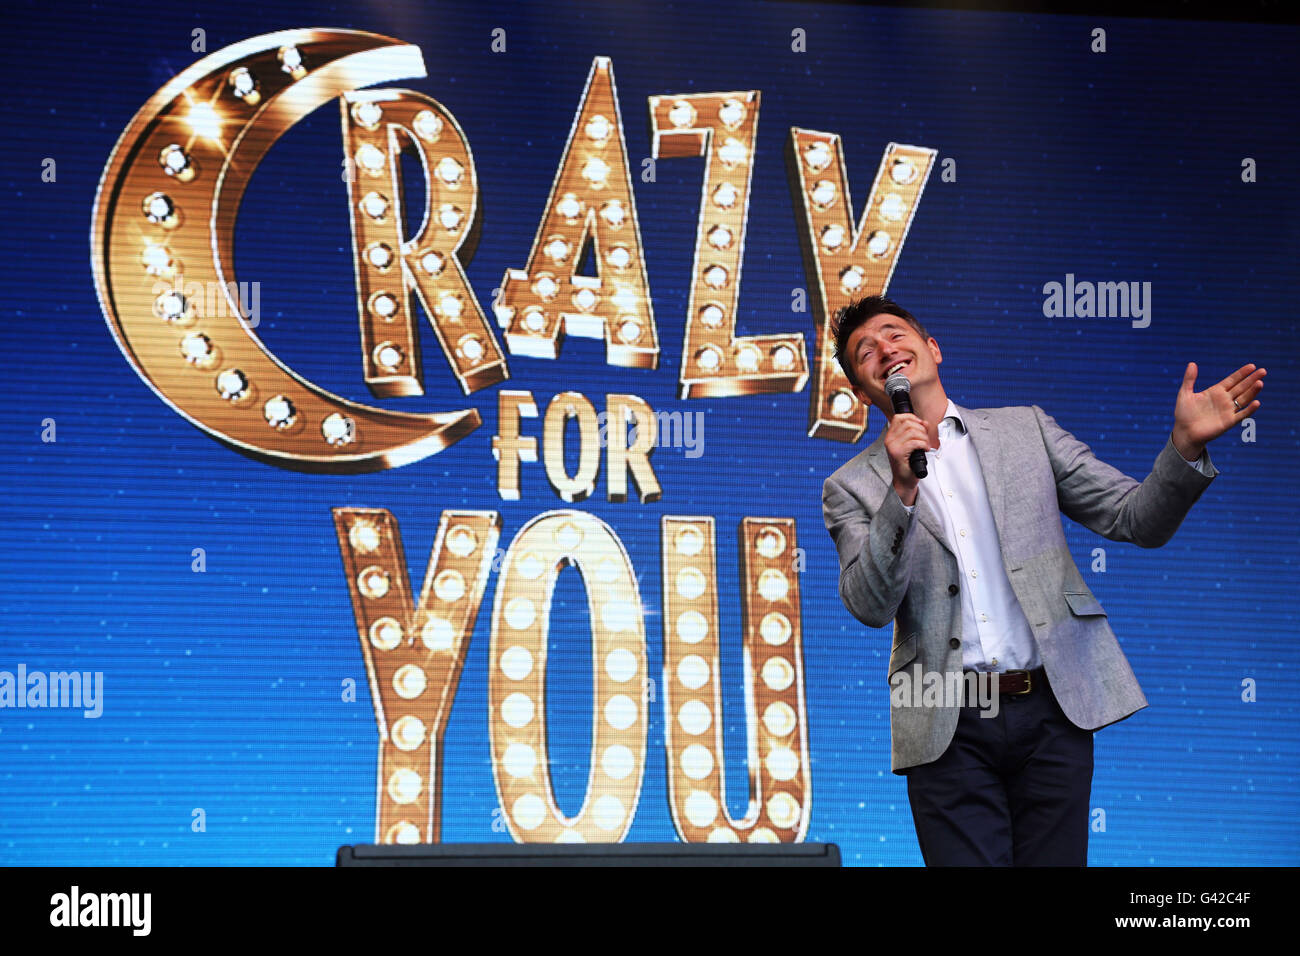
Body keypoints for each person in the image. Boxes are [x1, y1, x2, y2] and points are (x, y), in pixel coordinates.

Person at [821, 295, 1265, 866]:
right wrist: (901, 490)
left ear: (932, 348)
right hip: (943, 714)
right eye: (866, 352)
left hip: (1052, 705)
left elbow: (1134, 519)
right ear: (862, 391)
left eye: (895, 335)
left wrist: (1184, 447)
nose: (885, 350)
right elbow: (870, 603)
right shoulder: (850, 486)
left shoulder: (1024, 429)